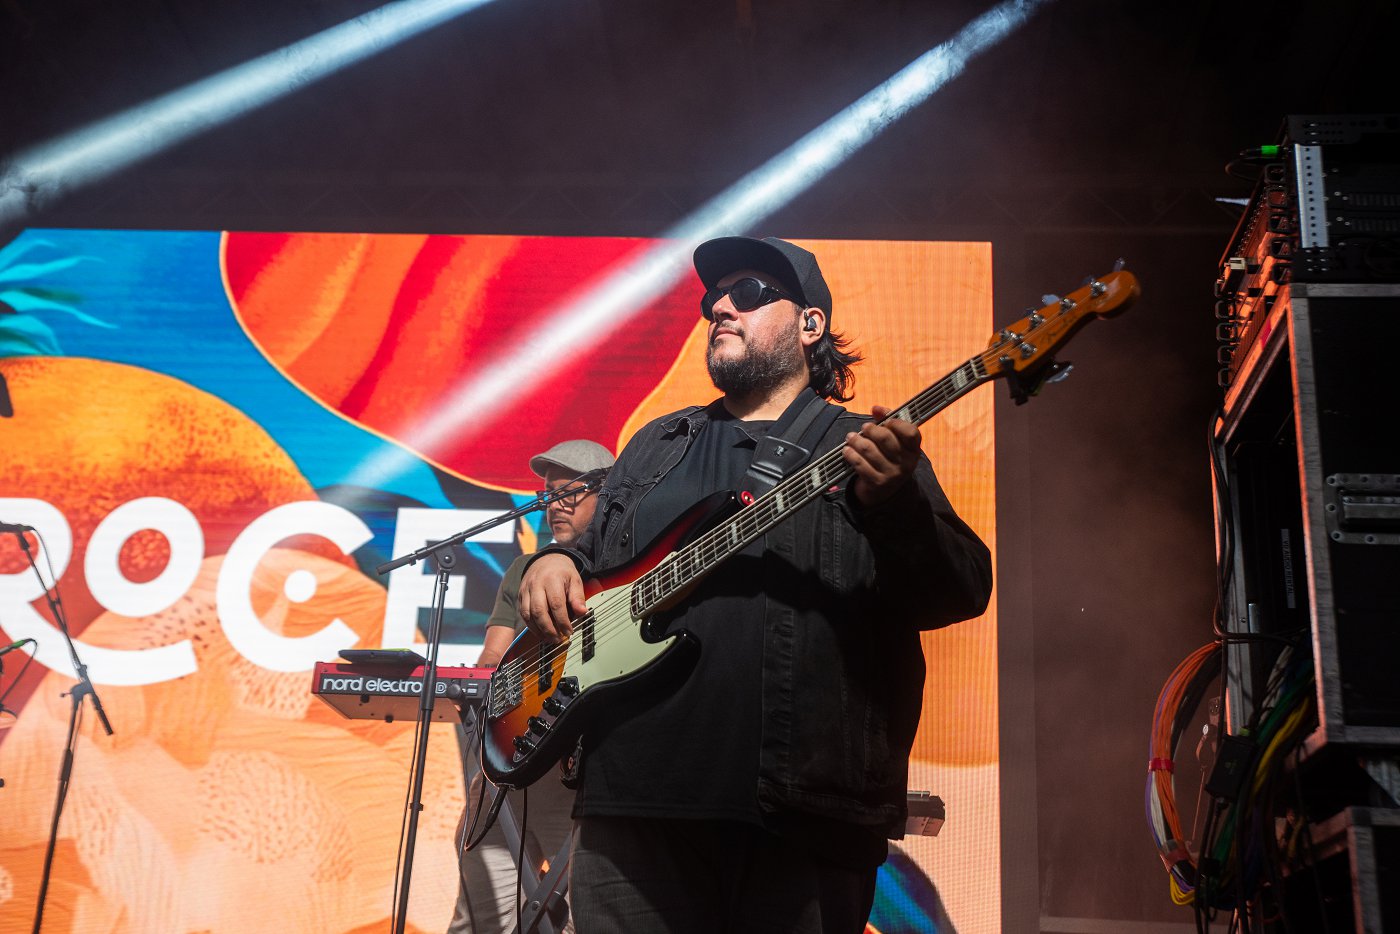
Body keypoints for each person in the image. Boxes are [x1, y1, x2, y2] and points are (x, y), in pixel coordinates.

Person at [516, 236, 993, 933]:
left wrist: (895, 504)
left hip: (803, 815)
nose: (721, 307)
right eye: (714, 299)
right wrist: (552, 564)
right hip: (631, 812)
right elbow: (591, 559)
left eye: (749, 294)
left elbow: (961, 590)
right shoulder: (658, 443)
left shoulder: (861, 448)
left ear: (810, 324)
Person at [449, 439, 616, 934]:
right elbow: (492, 662)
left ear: (609, 493)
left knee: (586, 910)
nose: (555, 504)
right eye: (549, 494)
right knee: (479, 889)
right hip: (519, 752)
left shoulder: (627, 562)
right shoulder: (524, 569)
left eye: (571, 492)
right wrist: (481, 699)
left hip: (587, 764)